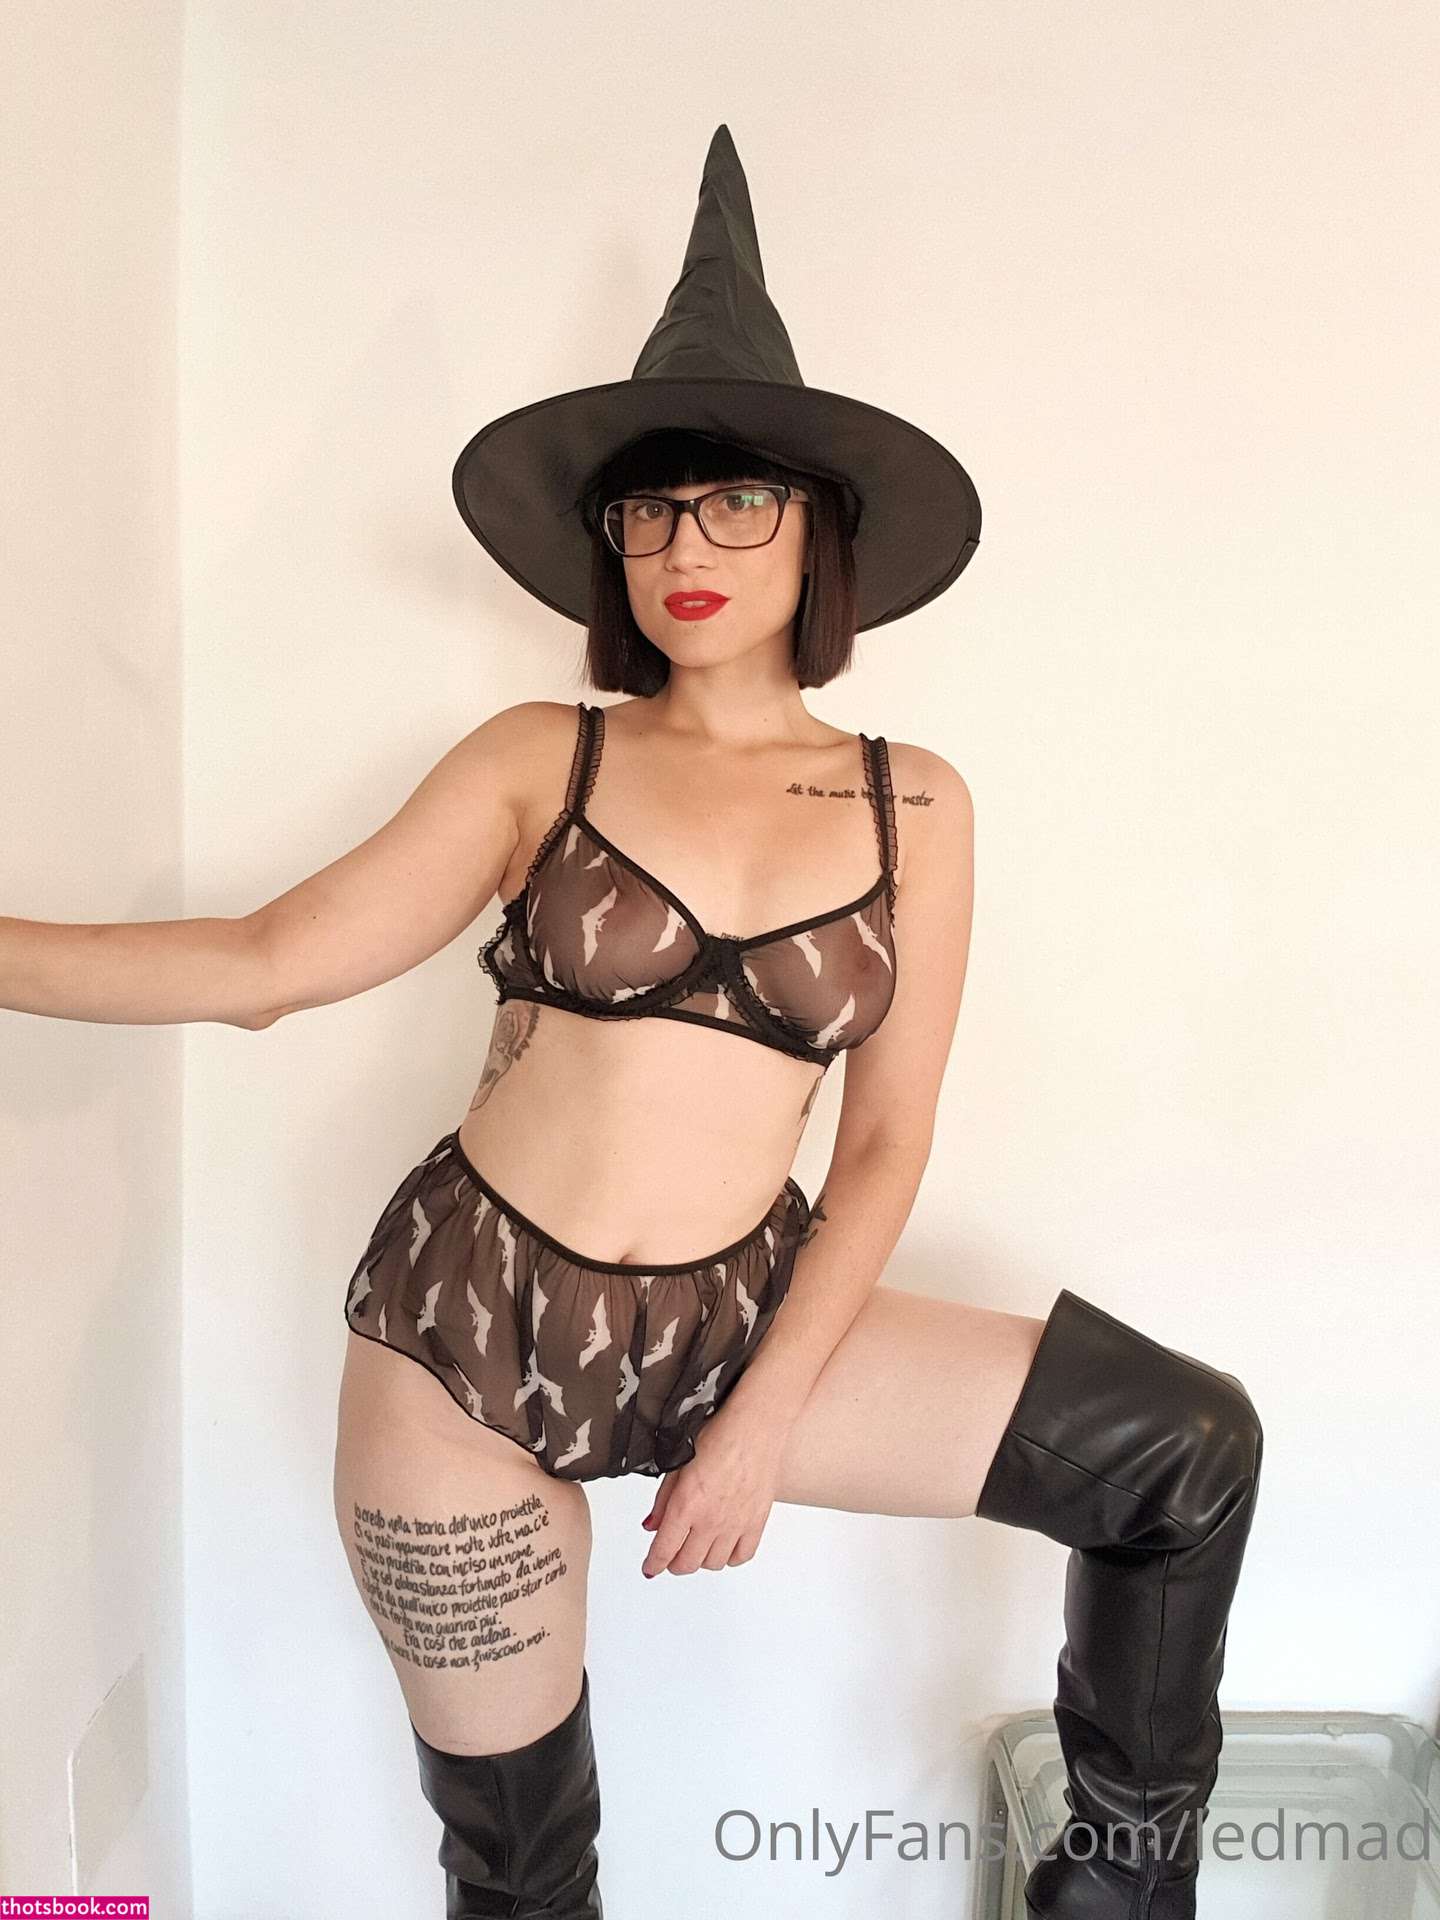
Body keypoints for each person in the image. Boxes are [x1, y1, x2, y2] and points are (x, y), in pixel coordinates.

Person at [4, 127, 1262, 1920]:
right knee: (525, 1879)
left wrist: (757, 1424)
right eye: (649, 512)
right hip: (469, 1339)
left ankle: (1118, 1902)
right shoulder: (549, 756)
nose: (686, 546)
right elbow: (268, 961)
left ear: (819, 529)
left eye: (736, 502)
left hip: (746, 1315)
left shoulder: (915, 801)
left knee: (1183, 1455)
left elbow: (887, 1142)